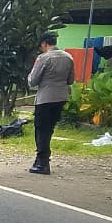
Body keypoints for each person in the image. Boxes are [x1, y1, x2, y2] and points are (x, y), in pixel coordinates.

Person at [26, 32, 74, 175]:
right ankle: (41, 159)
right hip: (61, 97)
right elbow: (71, 80)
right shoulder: (68, 57)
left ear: (44, 43)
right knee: (49, 129)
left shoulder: (43, 58)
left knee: (41, 129)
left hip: (45, 98)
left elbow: (32, 81)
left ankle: (43, 162)